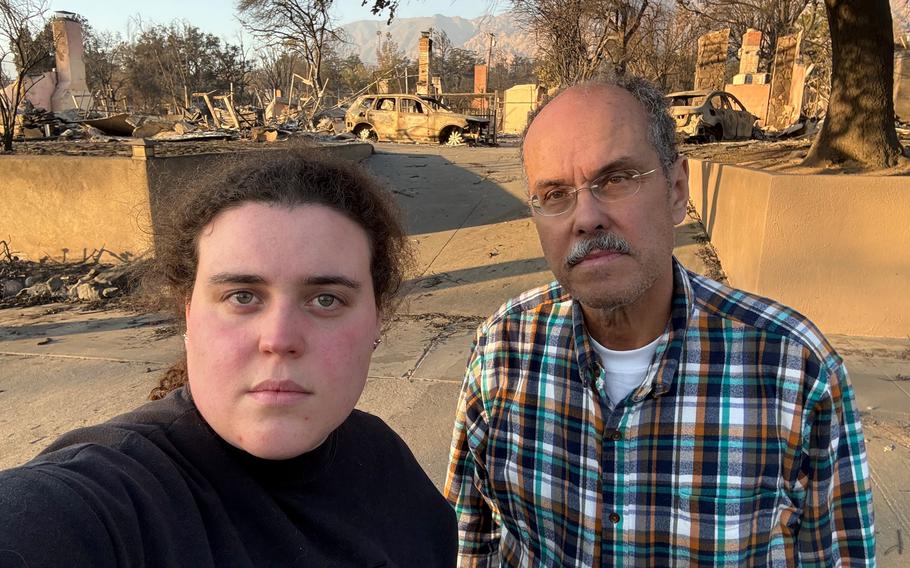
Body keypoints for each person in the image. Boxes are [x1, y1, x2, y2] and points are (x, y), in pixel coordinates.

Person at [445, 77, 875, 566]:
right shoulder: (503, 349)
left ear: (676, 192)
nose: (585, 217)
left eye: (616, 179)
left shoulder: (791, 370)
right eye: (555, 193)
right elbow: (469, 538)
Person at [0, 150, 457, 567]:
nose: (279, 338)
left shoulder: (384, 462)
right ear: (188, 315)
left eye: (325, 300)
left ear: (378, 321)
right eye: (242, 296)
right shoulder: (105, 500)